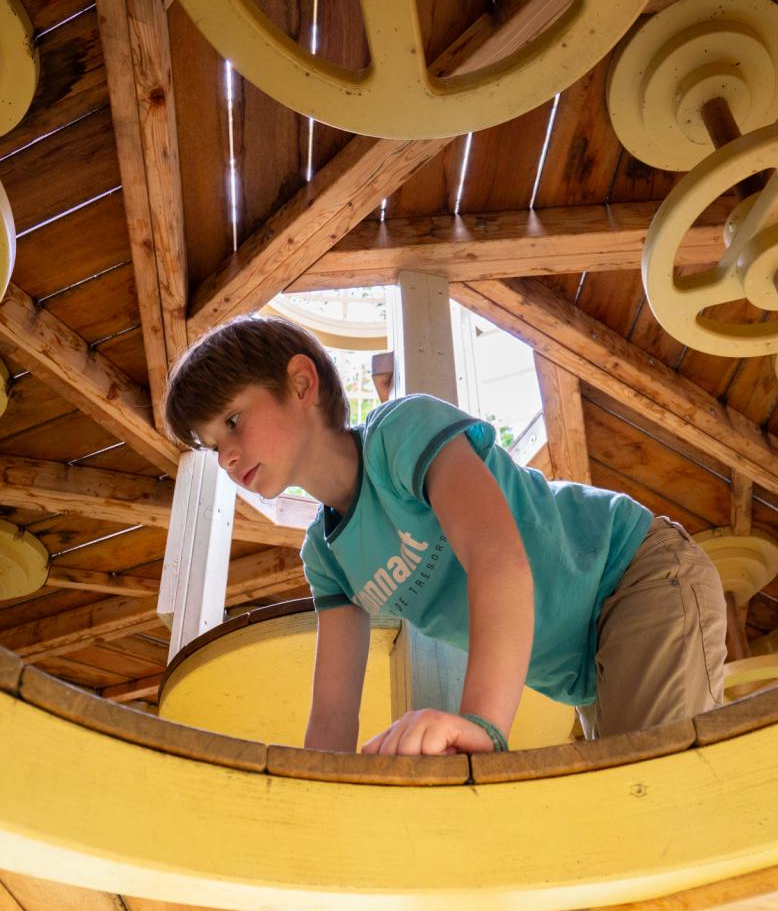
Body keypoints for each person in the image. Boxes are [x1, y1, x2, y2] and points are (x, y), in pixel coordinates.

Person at [163, 315, 730, 757]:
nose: (228, 455)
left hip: (635, 577)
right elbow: (333, 715)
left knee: (655, 803)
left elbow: (496, 558)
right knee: (623, 827)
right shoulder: (327, 557)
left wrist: (481, 725)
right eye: (215, 445)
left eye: (233, 421)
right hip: (586, 673)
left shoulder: (400, 432)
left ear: (301, 382)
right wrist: (313, 810)